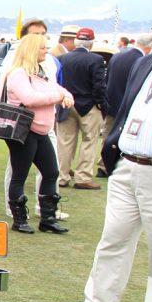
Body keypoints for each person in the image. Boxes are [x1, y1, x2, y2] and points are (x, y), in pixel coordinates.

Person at [65, 7, 152, 302]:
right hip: (127, 164)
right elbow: (127, 105)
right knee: (113, 239)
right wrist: (113, 146)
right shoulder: (145, 63)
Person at [0, 33, 73, 234]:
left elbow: (59, 89)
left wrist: (66, 96)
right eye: (42, 48)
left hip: (40, 130)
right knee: (19, 175)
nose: (46, 51)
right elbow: (29, 98)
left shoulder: (40, 71)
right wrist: (58, 97)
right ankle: (19, 218)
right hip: (24, 131)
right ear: (32, 50)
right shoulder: (18, 74)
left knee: (51, 172)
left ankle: (48, 218)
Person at [56, 27, 107, 190]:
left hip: (66, 103)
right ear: (91, 43)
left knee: (64, 142)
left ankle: (62, 176)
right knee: (89, 141)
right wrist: (100, 103)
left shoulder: (62, 58)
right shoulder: (96, 59)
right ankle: (83, 177)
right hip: (88, 106)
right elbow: (99, 85)